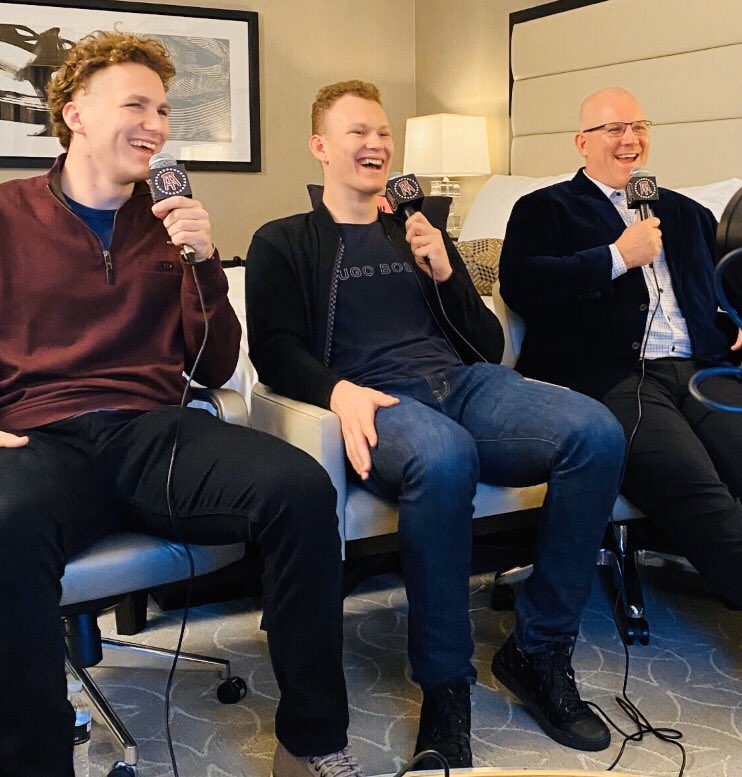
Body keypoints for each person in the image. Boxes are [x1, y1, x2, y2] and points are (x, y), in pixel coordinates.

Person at [0, 32, 359, 777]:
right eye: (136, 105)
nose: (156, 125)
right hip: (41, 437)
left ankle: (313, 742)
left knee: (300, 487)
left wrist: (204, 262)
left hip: (153, 431)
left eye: (163, 110)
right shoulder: (7, 214)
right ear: (76, 114)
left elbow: (216, 365)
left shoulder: (170, 223)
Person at [246, 80, 627, 764]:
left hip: (464, 384)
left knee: (596, 432)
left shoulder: (416, 231)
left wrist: (447, 270)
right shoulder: (284, 240)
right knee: (445, 456)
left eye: (383, 132)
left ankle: (539, 651)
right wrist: (338, 391)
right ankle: (446, 686)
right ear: (320, 146)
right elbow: (272, 349)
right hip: (377, 400)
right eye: (358, 132)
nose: (375, 144)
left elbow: (486, 345)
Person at [499, 86, 742, 607]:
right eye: (614, 129)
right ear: (582, 142)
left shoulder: (687, 213)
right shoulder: (546, 208)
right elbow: (522, 286)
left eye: (638, 127)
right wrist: (616, 257)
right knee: (695, 486)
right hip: (610, 376)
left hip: (699, 369)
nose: (629, 139)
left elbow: (716, 294)